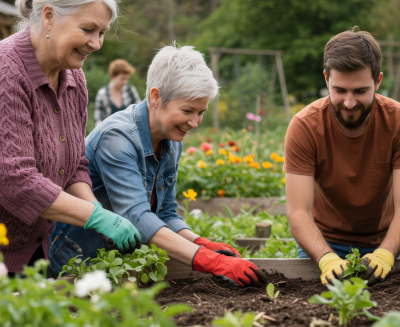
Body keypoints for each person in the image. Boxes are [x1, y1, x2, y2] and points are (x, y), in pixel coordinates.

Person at [50, 45, 267, 288]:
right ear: (156, 97)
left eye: (201, 112)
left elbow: (164, 214)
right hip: (76, 264)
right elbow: (138, 218)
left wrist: (200, 242)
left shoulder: (171, 140)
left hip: (117, 267)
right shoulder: (117, 138)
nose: (195, 123)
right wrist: (211, 262)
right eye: (187, 111)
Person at [0, 0, 141, 275]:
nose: (96, 43)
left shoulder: (73, 78)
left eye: (102, 33)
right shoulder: (7, 71)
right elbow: (15, 181)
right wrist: (97, 217)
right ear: (49, 16)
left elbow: (75, 164)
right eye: (88, 29)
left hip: (35, 249)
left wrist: (93, 209)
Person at [285, 27, 400, 286]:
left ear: (378, 81)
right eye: (340, 90)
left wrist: (386, 253)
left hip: (388, 241)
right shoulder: (305, 126)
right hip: (324, 243)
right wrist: (326, 258)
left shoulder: (397, 122)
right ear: (326, 79)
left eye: (360, 91)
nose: (349, 103)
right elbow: (298, 212)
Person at [94, 59, 141, 126]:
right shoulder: (102, 94)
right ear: (113, 76)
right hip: (109, 133)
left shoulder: (130, 90)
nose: (125, 82)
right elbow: (98, 120)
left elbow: (139, 112)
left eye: (127, 79)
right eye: (122, 79)